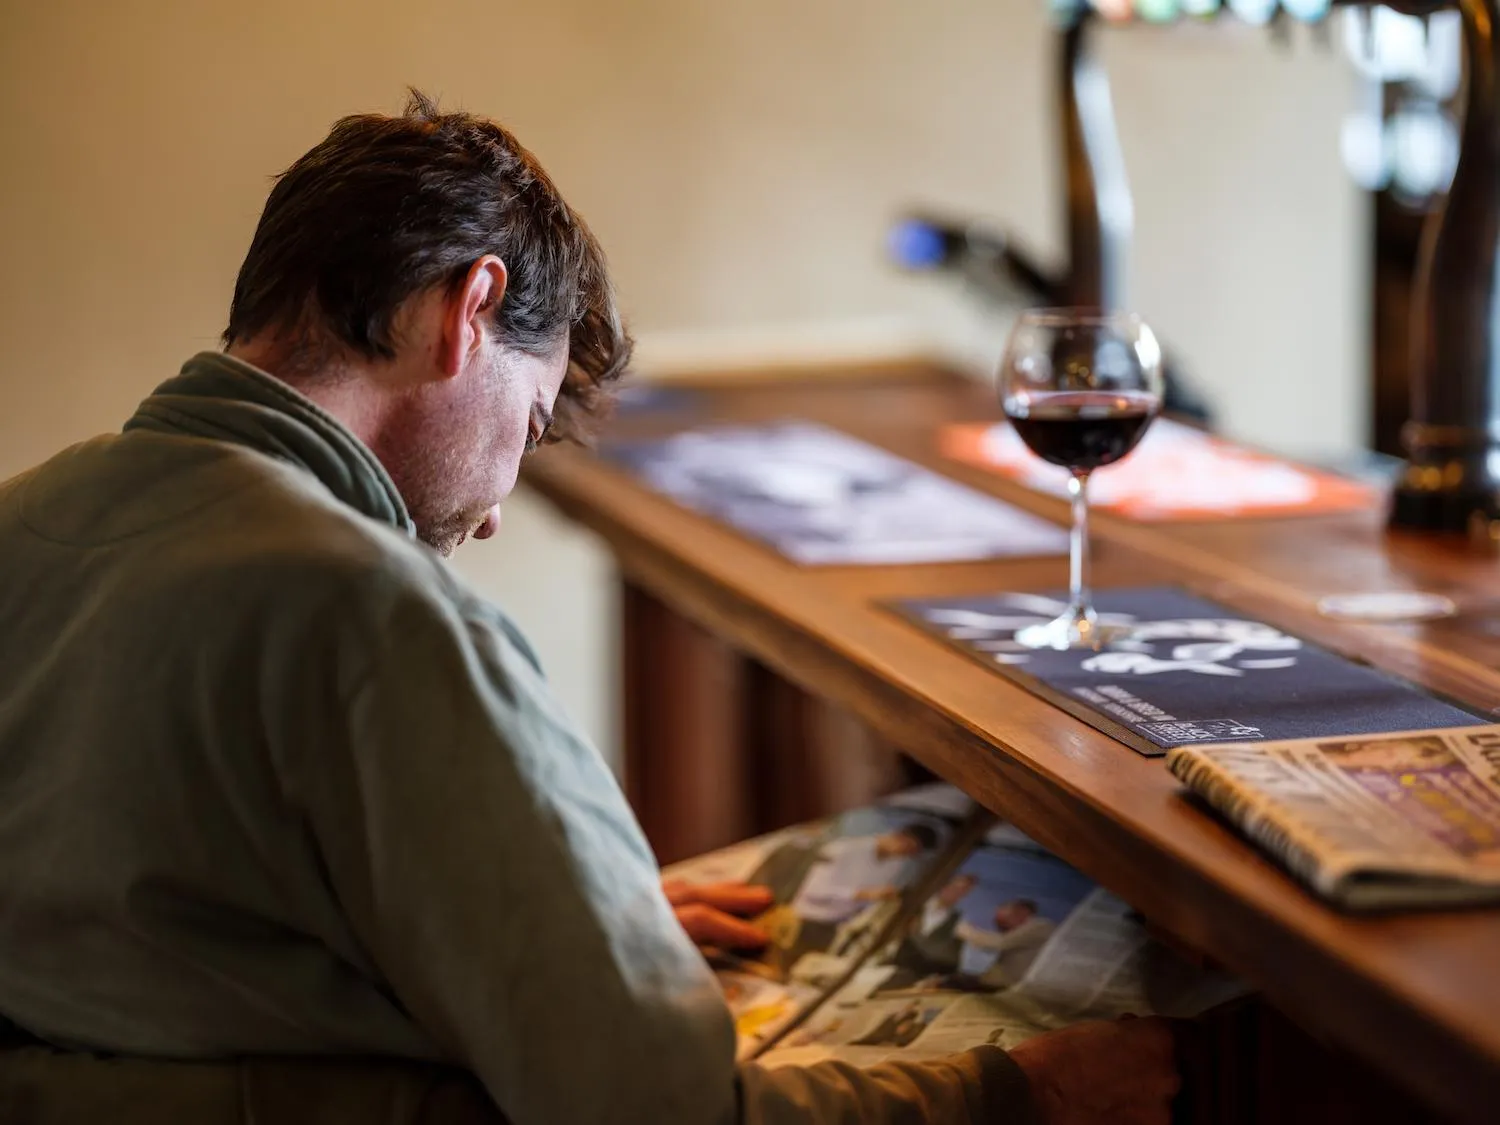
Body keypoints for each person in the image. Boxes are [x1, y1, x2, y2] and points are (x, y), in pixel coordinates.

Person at [0, 91, 1181, 1125]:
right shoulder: (383, 619)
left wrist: (544, 923)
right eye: (527, 422)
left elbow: (180, 931)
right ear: (471, 309)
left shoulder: (24, 523)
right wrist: (1013, 1098)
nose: (500, 508)